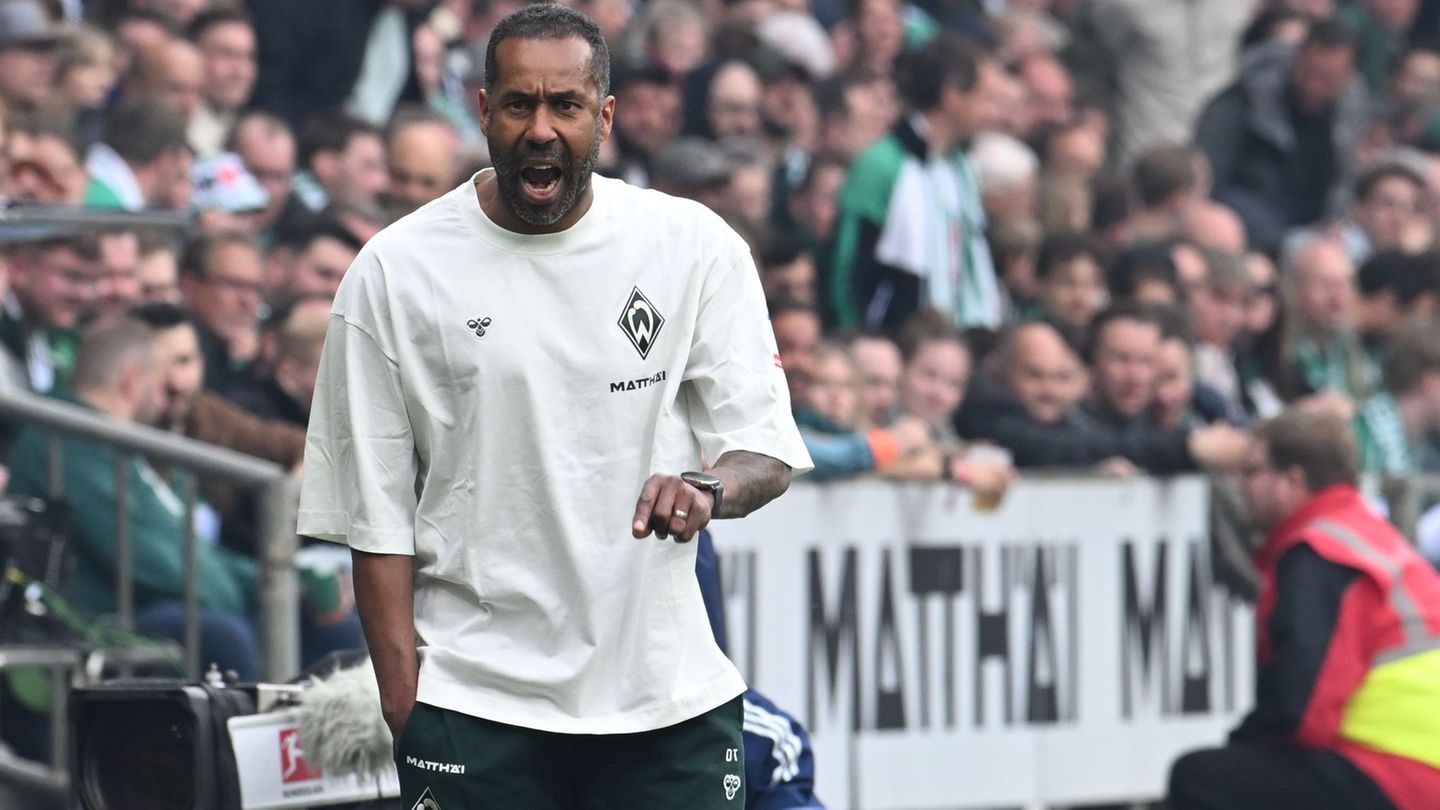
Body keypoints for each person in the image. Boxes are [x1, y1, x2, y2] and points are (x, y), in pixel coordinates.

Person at [296, 7, 811, 807]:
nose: (541, 129)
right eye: (518, 104)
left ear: (603, 116)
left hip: (666, 703)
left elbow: (763, 450)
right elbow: (375, 516)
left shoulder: (693, 245)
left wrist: (707, 488)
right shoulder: (394, 272)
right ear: (482, 110)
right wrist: (409, 712)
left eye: (565, 105)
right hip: (475, 706)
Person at [1168, 408, 1440, 810]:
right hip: (1417, 762)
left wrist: (1243, 744)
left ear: (1293, 481)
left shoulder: (1318, 555)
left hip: (1393, 770)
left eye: (1253, 472)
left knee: (1198, 777)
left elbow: (1304, 709)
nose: (1242, 486)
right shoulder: (1365, 535)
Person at [829, 33, 1005, 332]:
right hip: (891, 343)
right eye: (985, 98)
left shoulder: (959, 166)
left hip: (956, 340)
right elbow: (846, 267)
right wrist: (856, 336)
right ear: (952, 97)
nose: (994, 113)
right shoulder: (881, 164)